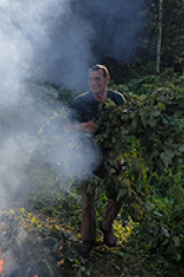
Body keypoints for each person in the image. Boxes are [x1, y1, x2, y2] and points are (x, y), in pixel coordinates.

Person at [69, 64, 125, 258]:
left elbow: (126, 123)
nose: (93, 83)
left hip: (112, 152)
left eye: (98, 79)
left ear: (107, 80)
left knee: (117, 193)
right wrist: (85, 126)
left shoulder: (117, 99)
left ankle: (107, 228)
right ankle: (88, 239)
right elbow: (69, 126)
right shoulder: (80, 102)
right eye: (91, 79)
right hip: (87, 153)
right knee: (88, 200)